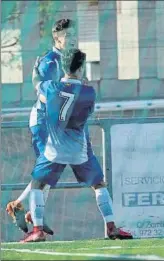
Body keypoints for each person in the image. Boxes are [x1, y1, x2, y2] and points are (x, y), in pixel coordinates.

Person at [20, 48, 133, 243]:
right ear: (80, 68)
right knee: (98, 184)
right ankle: (111, 227)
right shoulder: (88, 92)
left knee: (38, 184)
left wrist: (35, 75)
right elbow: (85, 112)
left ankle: (37, 230)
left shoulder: (50, 87)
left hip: (54, 149)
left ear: (62, 67)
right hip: (79, 150)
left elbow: (39, 88)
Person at [7, 18, 87, 235]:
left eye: (74, 35)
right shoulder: (50, 61)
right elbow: (43, 92)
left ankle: (26, 210)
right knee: (48, 167)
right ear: (56, 38)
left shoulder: (75, 59)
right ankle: (30, 215)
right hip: (44, 122)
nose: (72, 39)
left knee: (54, 168)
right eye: (67, 36)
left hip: (60, 124)